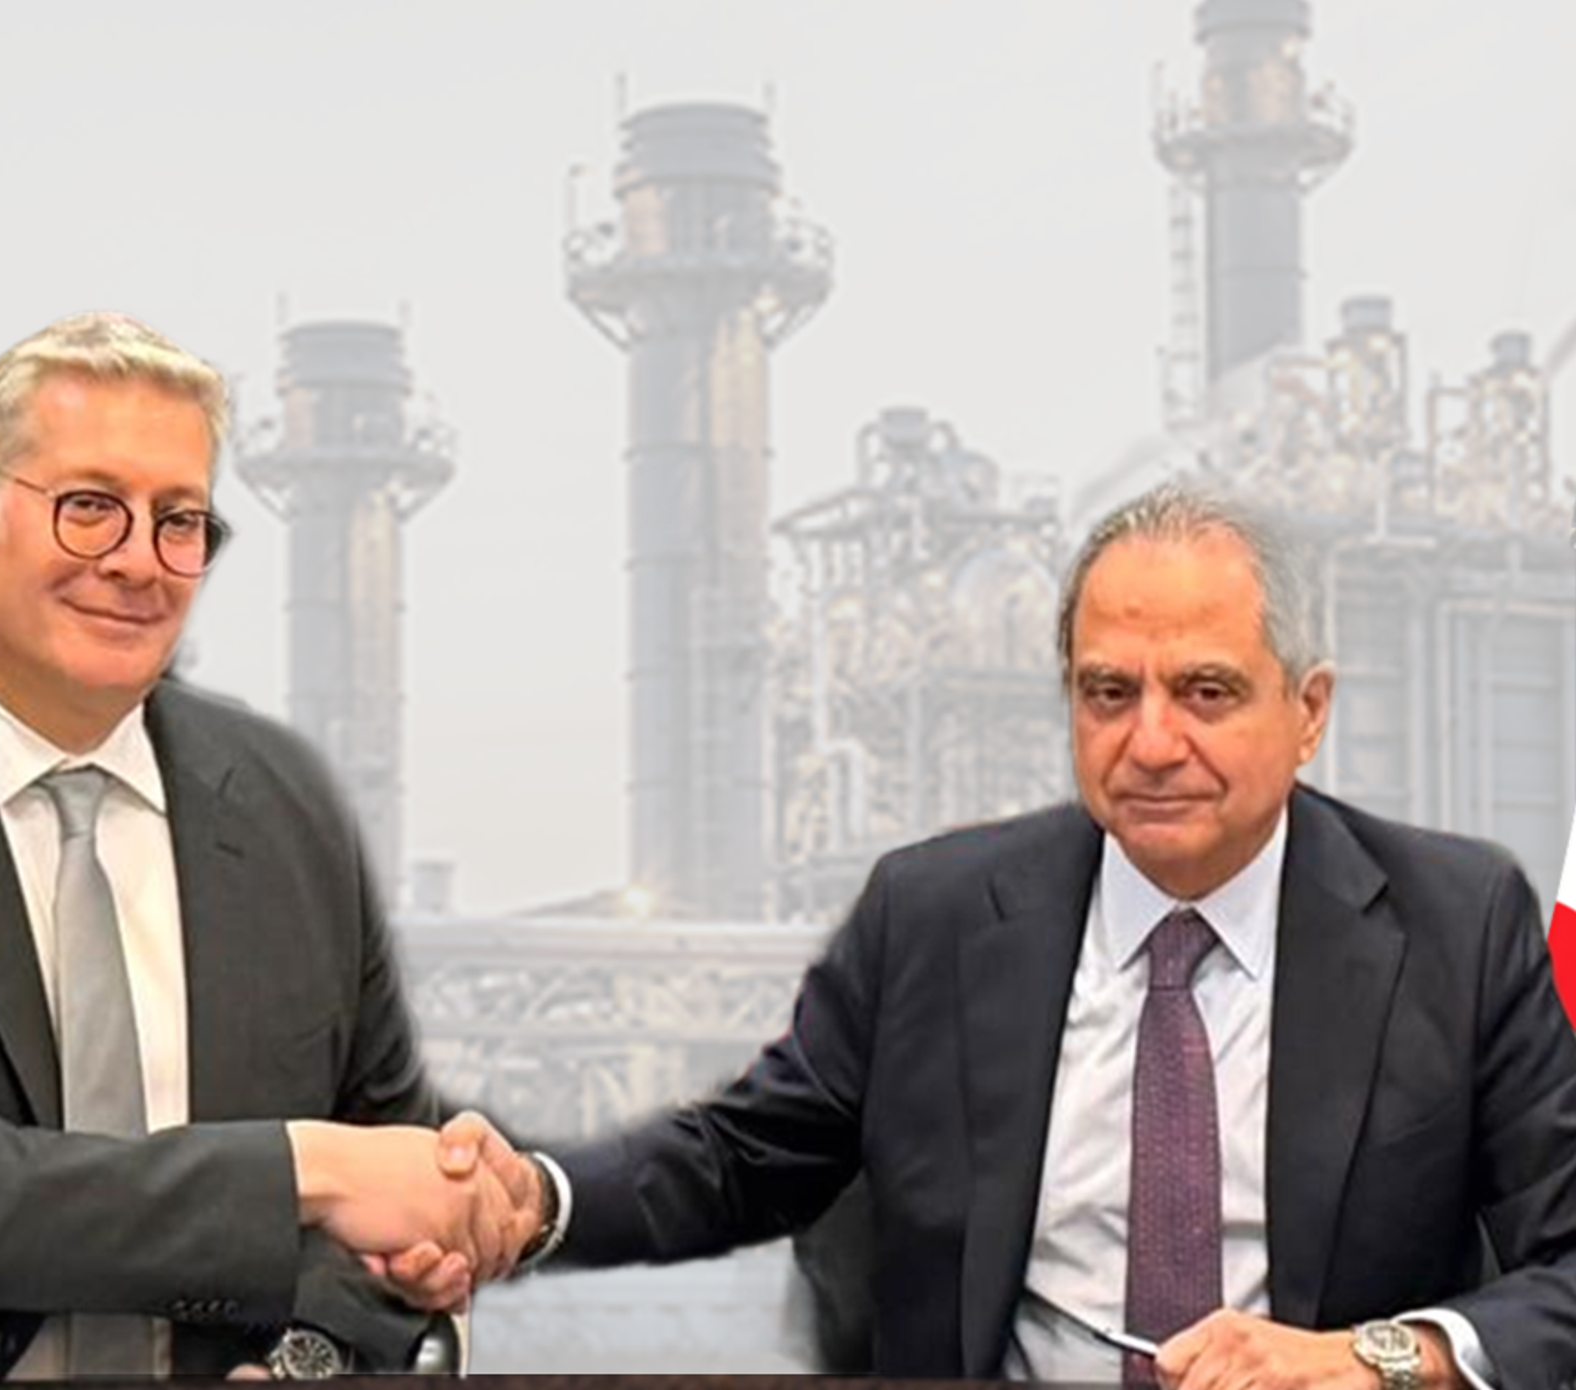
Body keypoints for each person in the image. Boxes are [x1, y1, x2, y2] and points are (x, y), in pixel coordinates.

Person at [431, 482, 1576, 1388]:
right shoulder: (932, 916)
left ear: (1308, 709)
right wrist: (536, 1197)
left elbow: (1567, 1266)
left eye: (1207, 692)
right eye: (1109, 693)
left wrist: (1377, 1361)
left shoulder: (1456, 924)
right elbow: (743, 1155)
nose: (1152, 742)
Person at [0, 312, 521, 1382]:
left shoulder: (288, 810)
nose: (137, 562)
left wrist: (307, 1354)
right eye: (89, 508)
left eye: (179, 521)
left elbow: (392, 1194)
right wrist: (306, 1169)